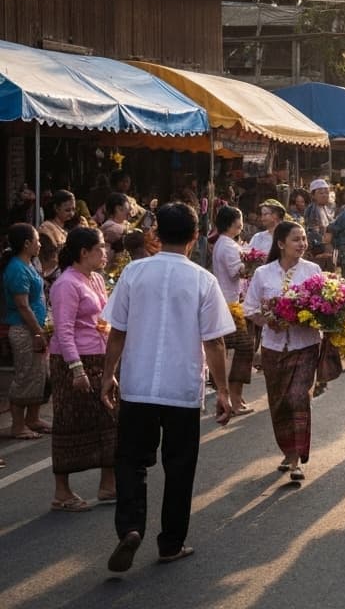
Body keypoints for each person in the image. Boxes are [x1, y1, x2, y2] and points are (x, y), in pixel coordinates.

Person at [101, 203, 235, 571]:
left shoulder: (133, 272)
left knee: (131, 460)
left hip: (137, 385)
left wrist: (107, 374)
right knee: (179, 467)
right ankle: (170, 543)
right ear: (195, 237)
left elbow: (117, 331)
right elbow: (215, 342)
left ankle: (130, 527)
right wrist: (222, 391)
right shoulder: (202, 280)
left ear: (156, 234)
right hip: (182, 389)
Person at [244, 221, 323, 480]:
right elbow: (250, 308)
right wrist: (269, 320)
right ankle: (288, 451)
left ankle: (297, 457)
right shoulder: (263, 274)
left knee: (298, 398)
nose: (302, 244)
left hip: (305, 345)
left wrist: (310, 315)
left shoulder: (313, 270)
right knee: (278, 404)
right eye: (296, 239)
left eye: (303, 239)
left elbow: (325, 307)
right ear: (281, 244)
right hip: (273, 347)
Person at [48, 227, 117, 511]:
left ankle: (108, 484)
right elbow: (63, 331)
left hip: (100, 357)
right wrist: (77, 369)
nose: (106, 252)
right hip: (72, 362)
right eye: (100, 247)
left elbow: (103, 315)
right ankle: (62, 492)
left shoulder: (97, 279)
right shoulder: (66, 284)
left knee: (109, 418)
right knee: (69, 421)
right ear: (83, 252)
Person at [4, 223, 50, 439]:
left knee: (38, 375)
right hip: (25, 330)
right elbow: (22, 305)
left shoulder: (29, 264)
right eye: (37, 240)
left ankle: (33, 418)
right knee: (24, 375)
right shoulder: (16, 269)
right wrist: (38, 332)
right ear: (26, 244)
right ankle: (18, 425)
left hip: (34, 329)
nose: (40, 244)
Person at [210, 206, 255, 415]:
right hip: (230, 304)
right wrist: (255, 264)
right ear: (234, 222)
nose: (242, 223)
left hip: (230, 301)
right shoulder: (227, 245)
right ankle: (233, 399)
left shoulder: (225, 243)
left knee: (233, 349)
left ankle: (231, 397)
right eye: (240, 219)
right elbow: (237, 271)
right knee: (244, 349)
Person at [38, 189, 77, 280]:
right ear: (56, 208)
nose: (71, 214)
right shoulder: (46, 229)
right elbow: (48, 262)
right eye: (67, 210)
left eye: (73, 210)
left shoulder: (68, 227)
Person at [304, 179, 336, 272]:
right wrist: (322, 246)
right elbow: (312, 232)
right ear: (313, 195)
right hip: (318, 251)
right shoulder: (312, 210)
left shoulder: (327, 208)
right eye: (321, 193)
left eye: (326, 193)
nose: (324, 195)